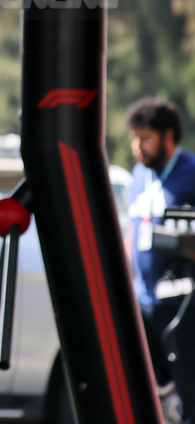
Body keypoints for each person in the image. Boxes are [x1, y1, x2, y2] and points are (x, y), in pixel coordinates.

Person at [127, 98, 195, 423]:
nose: (138, 147)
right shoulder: (139, 175)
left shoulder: (191, 173)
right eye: (134, 138)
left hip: (180, 302)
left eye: (146, 138)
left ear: (169, 137)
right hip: (143, 298)